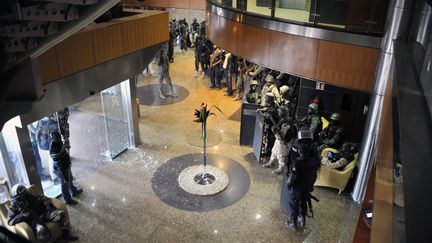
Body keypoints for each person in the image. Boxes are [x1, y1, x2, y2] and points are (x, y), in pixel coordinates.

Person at [7, 184, 78, 242]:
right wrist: (22, 215)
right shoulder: (13, 206)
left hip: (43, 213)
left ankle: (65, 234)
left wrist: (45, 202)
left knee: (60, 214)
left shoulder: (30, 195)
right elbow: (10, 221)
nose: (24, 195)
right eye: (21, 194)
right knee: (41, 229)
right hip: (34, 222)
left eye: (24, 192)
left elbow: (44, 198)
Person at [285, 128, 320, 231]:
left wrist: (289, 180)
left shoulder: (296, 153)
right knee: (304, 199)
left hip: (297, 182)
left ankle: (293, 223)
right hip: (308, 182)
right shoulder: (313, 149)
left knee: (293, 202)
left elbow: (288, 159)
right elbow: (316, 168)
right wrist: (311, 184)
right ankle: (302, 218)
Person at [49, 131, 82, 205]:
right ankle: (67, 200)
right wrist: (62, 174)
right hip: (61, 169)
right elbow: (57, 161)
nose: (53, 139)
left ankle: (74, 191)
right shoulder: (53, 147)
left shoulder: (59, 142)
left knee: (70, 179)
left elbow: (63, 152)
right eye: (52, 137)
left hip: (66, 165)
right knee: (64, 184)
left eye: (55, 137)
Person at [263, 106, 296, 174]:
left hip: (282, 141)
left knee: (281, 155)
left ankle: (281, 168)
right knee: (274, 151)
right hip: (278, 139)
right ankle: (271, 162)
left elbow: (282, 135)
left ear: (282, 112)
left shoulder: (286, 122)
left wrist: (275, 131)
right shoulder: (282, 119)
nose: (278, 112)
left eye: (279, 111)